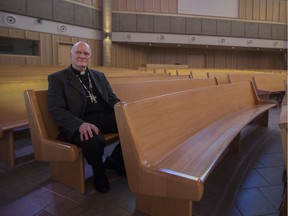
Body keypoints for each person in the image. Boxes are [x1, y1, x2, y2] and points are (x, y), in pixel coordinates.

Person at [47, 41, 125, 193]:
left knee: (132, 125)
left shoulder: (99, 76)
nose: (82, 56)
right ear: (71, 55)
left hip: (102, 117)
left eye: (86, 53)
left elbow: (111, 99)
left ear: (90, 57)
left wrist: (124, 110)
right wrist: (79, 125)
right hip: (78, 121)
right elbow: (56, 109)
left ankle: (115, 160)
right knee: (94, 140)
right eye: (78, 52)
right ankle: (99, 172)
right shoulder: (58, 78)